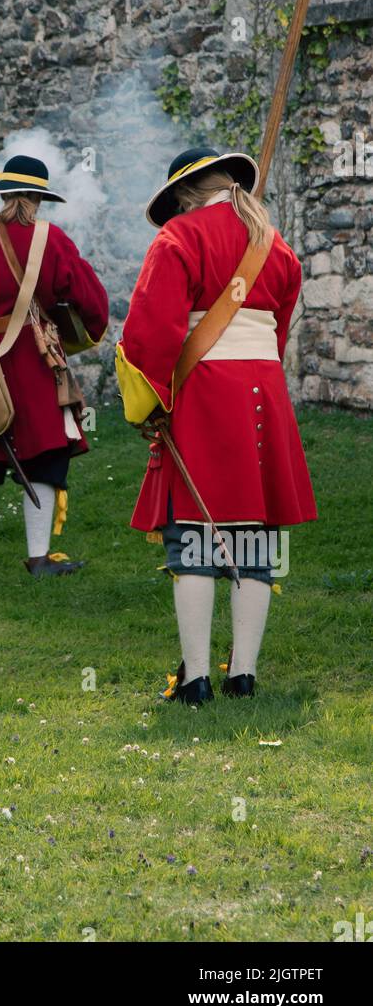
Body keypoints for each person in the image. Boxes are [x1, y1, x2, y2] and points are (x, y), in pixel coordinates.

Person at [116, 146, 317, 703]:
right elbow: (275, 337)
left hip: (204, 391)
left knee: (196, 538)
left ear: (184, 195)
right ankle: (243, 677)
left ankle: (198, 678)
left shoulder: (178, 239)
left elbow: (149, 336)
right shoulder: (276, 247)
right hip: (264, 393)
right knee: (255, 535)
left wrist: (148, 401)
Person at [0, 153, 109, 579]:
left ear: (3, 193)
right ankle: (38, 558)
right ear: (39, 197)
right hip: (32, 362)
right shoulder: (53, 239)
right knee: (45, 456)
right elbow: (92, 302)